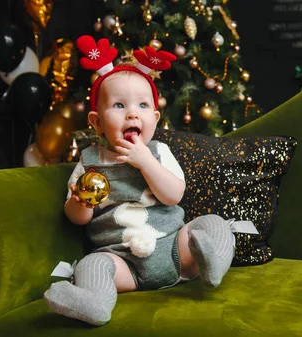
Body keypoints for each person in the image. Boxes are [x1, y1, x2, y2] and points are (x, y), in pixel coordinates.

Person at [43, 35, 236, 326]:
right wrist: (80, 202)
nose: (133, 112)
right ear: (96, 122)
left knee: (212, 223)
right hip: (123, 262)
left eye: (143, 105)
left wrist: (145, 161)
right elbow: (77, 218)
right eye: (119, 105)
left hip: (175, 251)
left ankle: (213, 262)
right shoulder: (90, 160)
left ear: (155, 119)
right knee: (91, 264)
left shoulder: (158, 152)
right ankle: (94, 303)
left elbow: (174, 195)